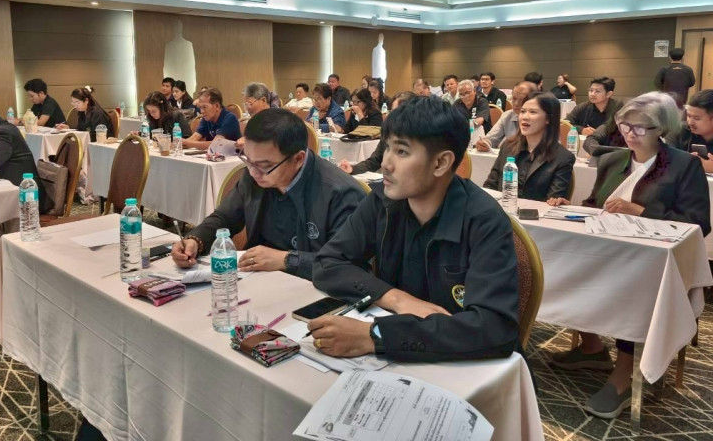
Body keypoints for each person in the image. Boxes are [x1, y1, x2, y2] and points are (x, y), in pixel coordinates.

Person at [310, 97, 519, 362]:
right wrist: (396, 299)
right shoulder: (382, 202)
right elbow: (327, 263)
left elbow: (494, 327)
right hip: (404, 352)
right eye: (387, 148)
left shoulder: (484, 220)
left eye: (402, 152)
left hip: (467, 365)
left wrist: (375, 336)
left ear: (440, 163)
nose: (386, 164)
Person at [550, 92, 709, 419]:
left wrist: (641, 210)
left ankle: (624, 373)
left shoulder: (683, 165)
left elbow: (698, 224)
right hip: (606, 252)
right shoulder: (612, 160)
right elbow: (596, 207)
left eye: (640, 128)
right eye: (624, 126)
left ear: (661, 128)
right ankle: (592, 347)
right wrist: (573, 208)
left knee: (632, 283)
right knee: (564, 267)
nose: (630, 134)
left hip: (652, 263)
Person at [171, 109, 364, 280]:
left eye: (265, 166)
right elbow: (225, 217)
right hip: (258, 279)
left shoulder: (341, 193)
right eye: (248, 160)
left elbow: (347, 264)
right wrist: (195, 240)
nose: (254, 172)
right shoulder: (254, 173)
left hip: (315, 289)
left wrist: (287, 260)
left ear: (298, 159)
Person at [484, 93, 575, 201]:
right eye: (523, 111)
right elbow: (490, 186)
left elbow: (552, 202)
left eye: (533, 112)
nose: (525, 117)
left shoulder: (563, 158)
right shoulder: (508, 146)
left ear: (549, 119)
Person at [338, 91, 415, 175]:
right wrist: (352, 169)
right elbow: (374, 161)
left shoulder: (418, 140)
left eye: (399, 112)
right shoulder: (388, 134)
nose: (393, 117)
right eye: (392, 112)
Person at [475, 82, 537, 152]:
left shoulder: (539, 120)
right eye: (514, 98)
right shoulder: (507, 116)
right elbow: (491, 138)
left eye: (522, 100)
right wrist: (484, 143)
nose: (516, 103)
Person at [668, 89, 713, 173]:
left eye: (697, 118)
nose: (690, 122)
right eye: (688, 116)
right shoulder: (678, 131)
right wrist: (685, 163)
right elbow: (663, 160)